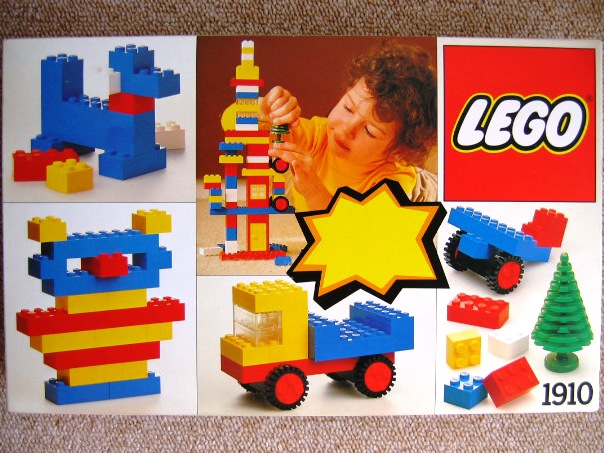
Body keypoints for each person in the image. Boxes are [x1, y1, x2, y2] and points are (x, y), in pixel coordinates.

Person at [259, 40, 438, 211]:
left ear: (398, 152)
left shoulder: (392, 183)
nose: (346, 129)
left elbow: (349, 229)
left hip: (422, 197)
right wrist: (265, 110)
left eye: (369, 131)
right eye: (348, 108)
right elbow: (254, 129)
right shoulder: (318, 134)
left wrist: (313, 189)